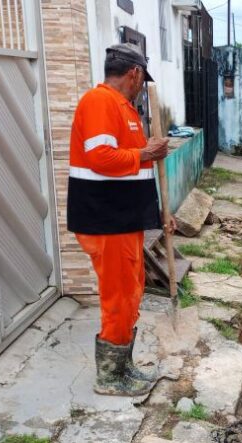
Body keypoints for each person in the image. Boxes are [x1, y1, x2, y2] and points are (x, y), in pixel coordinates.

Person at [67, 43, 176, 397]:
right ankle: (109, 378)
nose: (143, 84)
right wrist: (146, 152)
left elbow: (136, 170)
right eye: (143, 79)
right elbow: (100, 157)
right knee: (118, 297)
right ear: (134, 73)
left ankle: (123, 365)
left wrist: (161, 213)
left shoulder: (125, 109)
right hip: (105, 220)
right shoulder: (99, 102)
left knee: (131, 293)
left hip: (124, 219)